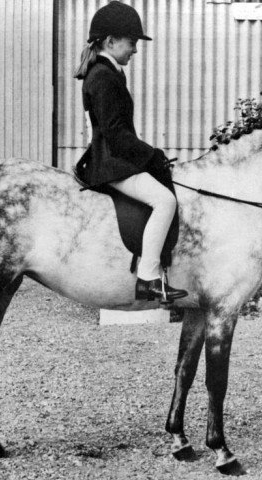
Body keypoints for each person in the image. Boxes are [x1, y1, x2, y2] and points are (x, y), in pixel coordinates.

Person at [74, 1, 187, 302]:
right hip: (111, 164)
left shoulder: (108, 73)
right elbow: (116, 135)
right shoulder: (103, 77)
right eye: (132, 42)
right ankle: (148, 278)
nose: (135, 49)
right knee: (165, 201)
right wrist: (151, 155)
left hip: (114, 160)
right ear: (110, 41)